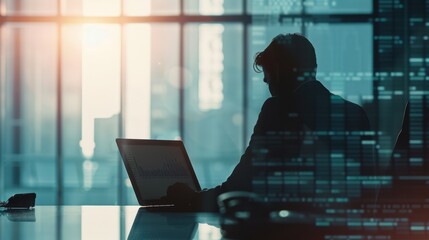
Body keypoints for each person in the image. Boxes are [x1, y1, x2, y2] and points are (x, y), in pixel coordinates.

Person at [167, 33, 372, 212]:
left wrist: (192, 199)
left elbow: (240, 186)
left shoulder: (279, 109)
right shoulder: (356, 113)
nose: (265, 81)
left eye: (268, 73)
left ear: (280, 71)